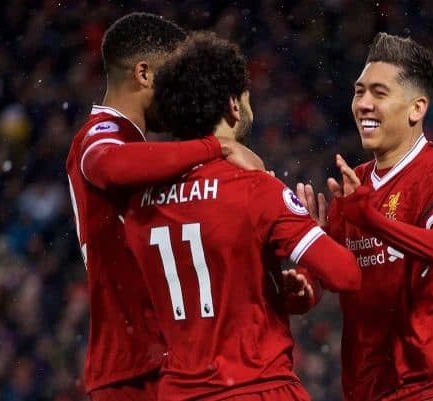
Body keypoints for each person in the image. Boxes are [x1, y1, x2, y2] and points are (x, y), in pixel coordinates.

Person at [122, 32, 361, 401]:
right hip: (257, 388)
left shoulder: (139, 205)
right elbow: (345, 274)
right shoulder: (255, 189)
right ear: (233, 105)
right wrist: (318, 237)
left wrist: (278, 291)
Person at [66, 13, 263, 401]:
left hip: (167, 361)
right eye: (174, 78)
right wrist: (218, 145)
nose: (183, 94)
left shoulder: (146, 151)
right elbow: (106, 164)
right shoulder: (101, 134)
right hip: (133, 369)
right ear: (144, 73)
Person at [298, 32, 433, 401]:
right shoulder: (353, 189)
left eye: (379, 94)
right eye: (359, 91)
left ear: (417, 109)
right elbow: (322, 287)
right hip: (368, 390)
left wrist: (373, 221)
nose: (363, 104)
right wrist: (307, 268)